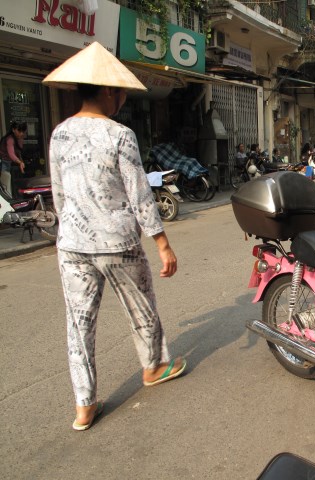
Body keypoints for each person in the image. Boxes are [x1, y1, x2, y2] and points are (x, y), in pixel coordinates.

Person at [43, 42, 186, 431]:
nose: (121, 99)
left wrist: (70, 224)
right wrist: (162, 243)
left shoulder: (59, 134)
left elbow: (58, 193)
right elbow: (139, 193)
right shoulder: (120, 135)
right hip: (117, 243)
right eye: (120, 92)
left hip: (72, 243)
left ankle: (83, 406)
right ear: (108, 91)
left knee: (78, 324)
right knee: (140, 309)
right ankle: (154, 367)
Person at [0, 120, 27, 197]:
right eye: (19, 131)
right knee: (7, 186)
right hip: (5, 164)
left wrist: (21, 162)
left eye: (23, 131)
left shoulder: (19, 139)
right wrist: (20, 162)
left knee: (15, 185)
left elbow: (18, 152)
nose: (21, 133)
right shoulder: (10, 139)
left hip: (13, 164)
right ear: (13, 129)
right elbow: (11, 154)